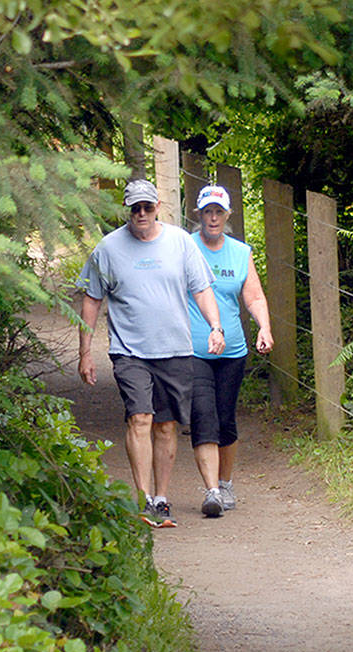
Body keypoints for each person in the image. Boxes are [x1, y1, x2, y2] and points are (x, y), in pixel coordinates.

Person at [77, 178, 226, 528]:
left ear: (158, 206)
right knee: (139, 417)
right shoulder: (108, 249)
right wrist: (84, 351)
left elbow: (201, 288)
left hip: (174, 348)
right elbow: (91, 299)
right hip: (129, 350)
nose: (141, 213)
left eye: (147, 207)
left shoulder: (180, 243)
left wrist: (215, 327)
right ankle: (143, 497)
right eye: (135, 208)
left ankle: (161, 497)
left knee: (165, 424)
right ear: (127, 210)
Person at [188, 184, 273, 517]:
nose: (212, 218)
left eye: (218, 212)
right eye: (207, 212)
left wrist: (264, 327)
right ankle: (211, 491)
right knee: (202, 416)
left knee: (226, 419)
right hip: (193, 349)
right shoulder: (186, 247)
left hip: (233, 351)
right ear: (199, 215)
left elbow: (253, 297)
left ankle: (225, 482)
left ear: (226, 216)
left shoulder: (240, 252)